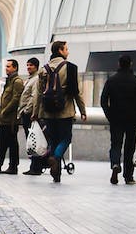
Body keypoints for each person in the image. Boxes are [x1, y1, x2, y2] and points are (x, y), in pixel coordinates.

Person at [40, 39, 87, 184]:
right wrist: (82, 110)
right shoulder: (70, 68)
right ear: (60, 51)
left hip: (48, 112)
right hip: (65, 111)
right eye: (66, 49)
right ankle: (56, 158)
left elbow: (38, 93)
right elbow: (77, 93)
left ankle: (56, 174)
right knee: (66, 138)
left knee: (53, 140)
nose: (68, 51)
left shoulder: (44, 69)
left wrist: (37, 112)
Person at [100, 54, 136, 185]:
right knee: (129, 147)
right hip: (132, 120)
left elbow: (103, 101)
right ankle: (128, 176)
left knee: (115, 144)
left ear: (119, 64)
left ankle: (115, 164)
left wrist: (110, 115)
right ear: (131, 64)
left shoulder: (111, 80)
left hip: (116, 118)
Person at [0, 58, 23, 174]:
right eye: (6, 66)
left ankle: (4, 166)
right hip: (5, 119)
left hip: (10, 120)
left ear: (15, 68)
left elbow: (15, 99)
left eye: (8, 66)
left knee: (7, 144)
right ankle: (3, 165)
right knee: (8, 144)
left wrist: (4, 111)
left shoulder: (17, 82)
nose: (6, 69)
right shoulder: (10, 81)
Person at [18, 58, 50, 175]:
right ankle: (34, 166)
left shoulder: (36, 79)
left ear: (36, 67)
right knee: (31, 140)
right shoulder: (30, 79)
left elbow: (34, 97)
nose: (28, 67)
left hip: (30, 115)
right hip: (28, 114)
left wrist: (27, 111)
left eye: (31, 65)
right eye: (27, 65)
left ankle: (36, 167)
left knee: (33, 140)